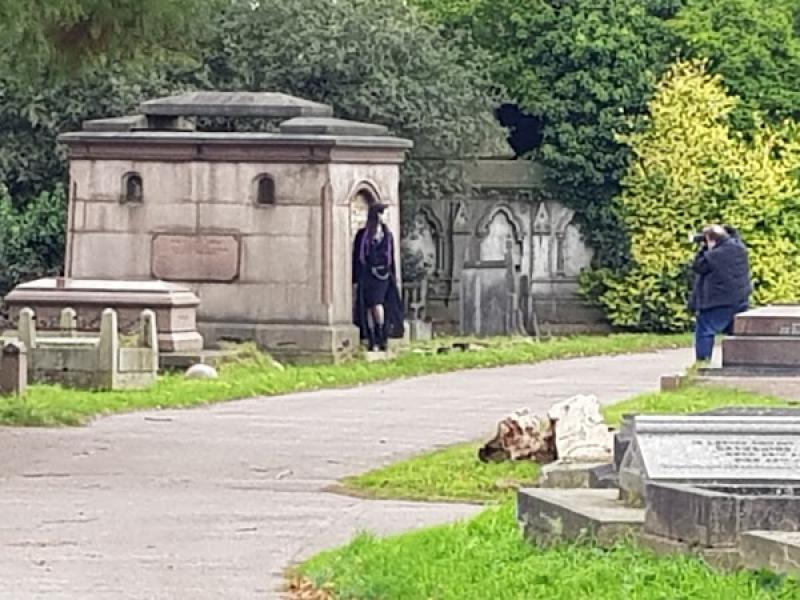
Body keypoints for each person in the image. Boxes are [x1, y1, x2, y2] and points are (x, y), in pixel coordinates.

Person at [689, 224, 751, 362]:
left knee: (705, 331)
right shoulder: (739, 248)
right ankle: (740, 362)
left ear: (711, 240)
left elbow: (698, 266)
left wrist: (704, 248)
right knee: (734, 333)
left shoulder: (715, 254)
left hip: (717, 302)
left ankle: (702, 363)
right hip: (739, 300)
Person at [352, 203, 404, 351]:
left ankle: (381, 335)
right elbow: (358, 256)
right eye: (382, 213)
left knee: (378, 304)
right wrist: (356, 278)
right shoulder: (363, 234)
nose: (384, 216)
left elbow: (390, 257)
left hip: (382, 276)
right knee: (368, 306)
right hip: (367, 274)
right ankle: (371, 337)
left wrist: (392, 275)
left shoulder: (387, 235)